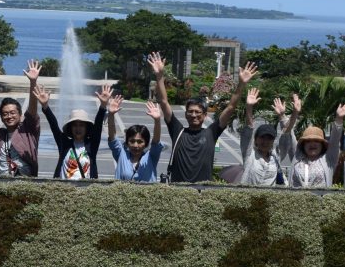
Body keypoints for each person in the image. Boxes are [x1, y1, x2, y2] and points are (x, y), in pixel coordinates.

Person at [150, 52, 256, 183]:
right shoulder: (177, 131)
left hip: (203, 194)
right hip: (178, 194)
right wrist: (159, 76)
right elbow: (164, 102)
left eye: (198, 112)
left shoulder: (211, 133)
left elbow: (230, 107)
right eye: (190, 112)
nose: (194, 115)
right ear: (185, 114)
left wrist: (241, 84)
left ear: (205, 116)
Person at [34, 83, 112, 180]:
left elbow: (98, 127)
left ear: (86, 128)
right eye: (75, 125)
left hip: (86, 192)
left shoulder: (92, 145)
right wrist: (45, 106)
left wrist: (103, 106)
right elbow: (54, 126)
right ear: (70, 127)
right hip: (64, 191)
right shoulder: (64, 143)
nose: (78, 128)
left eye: (81, 125)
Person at [0, 61, 42, 177]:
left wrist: (33, 82)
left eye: (13, 113)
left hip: (25, 185)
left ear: (20, 115)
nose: (9, 116)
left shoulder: (29, 131)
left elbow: (33, 110)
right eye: (5, 114)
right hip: (2, 185)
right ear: (1, 117)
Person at [278, 97, 345, 188]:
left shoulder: (329, 159)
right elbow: (288, 134)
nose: (312, 144)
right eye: (308, 141)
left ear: (322, 145)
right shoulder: (297, 156)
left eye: (316, 141)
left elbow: (335, 140)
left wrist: (339, 119)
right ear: (303, 145)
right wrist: (283, 116)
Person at [234, 88, 293, 185]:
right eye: (262, 137)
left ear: (273, 141)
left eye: (269, 138)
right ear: (256, 139)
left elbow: (286, 136)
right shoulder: (250, 155)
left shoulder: (275, 157)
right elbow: (248, 131)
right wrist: (249, 107)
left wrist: (285, 115)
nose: (265, 142)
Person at [106, 96, 164, 182]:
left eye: (140, 142)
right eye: (132, 141)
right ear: (126, 142)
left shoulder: (151, 157)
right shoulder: (121, 155)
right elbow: (113, 138)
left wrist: (157, 120)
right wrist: (111, 115)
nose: (136, 145)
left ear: (146, 143)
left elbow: (156, 142)